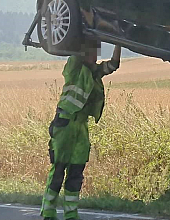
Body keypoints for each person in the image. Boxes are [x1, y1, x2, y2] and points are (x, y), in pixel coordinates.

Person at [40, 38, 121, 220]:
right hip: (65, 123)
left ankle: (71, 214)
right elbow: (76, 50)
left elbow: (114, 64)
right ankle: (48, 211)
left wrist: (118, 42)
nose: (96, 55)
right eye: (92, 51)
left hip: (81, 126)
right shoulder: (74, 66)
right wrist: (83, 33)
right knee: (59, 168)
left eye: (97, 52)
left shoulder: (95, 72)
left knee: (76, 170)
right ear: (83, 52)